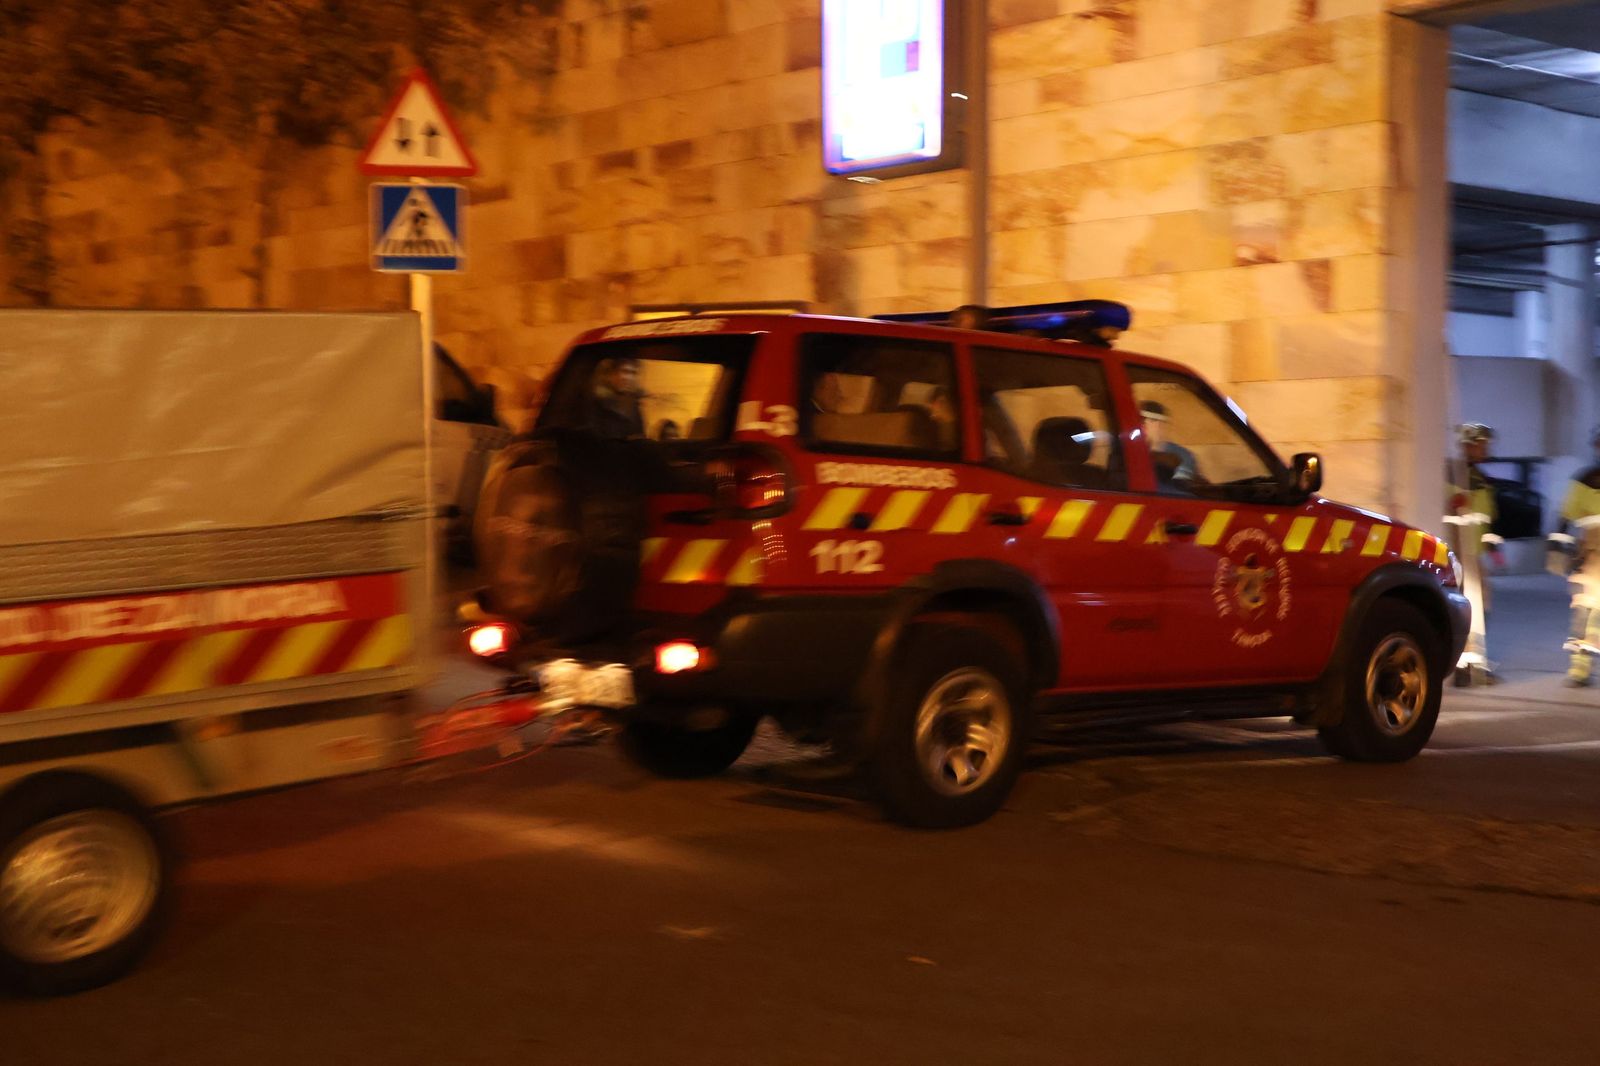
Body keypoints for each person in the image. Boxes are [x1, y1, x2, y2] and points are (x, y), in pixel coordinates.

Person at [1445, 423, 1500, 685]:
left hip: (1474, 554)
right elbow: (1446, 513)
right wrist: (1451, 504)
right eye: (1481, 444)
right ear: (1468, 445)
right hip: (1458, 554)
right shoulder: (1452, 475)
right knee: (1467, 608)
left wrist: (1493, 547)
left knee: (1481, 607)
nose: (1485, 449)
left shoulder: (1479, 478)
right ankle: (1463, 667)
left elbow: (1485, 519)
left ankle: (1473, 663)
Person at [1550, 427, 1600, 686]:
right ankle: (1580, 667)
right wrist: (1558, 550)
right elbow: (1567, 514)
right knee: (1586, 608)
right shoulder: (1586, 479)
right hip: (1591, 551)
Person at [1139, 400, 1198, 486]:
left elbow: (1180, 489)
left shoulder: (1182, 455)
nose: (1142, 427)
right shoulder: (1133, 453)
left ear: (1160, 424)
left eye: (1145, 422)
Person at [587, 356, 644, 439]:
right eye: (625, 371)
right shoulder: (597, 404)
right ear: (611, 375)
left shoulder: (633, 406)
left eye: (633, 373)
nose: (628, 378)